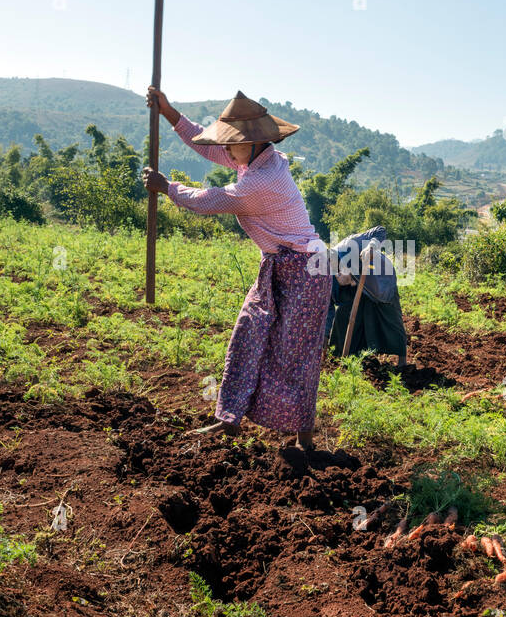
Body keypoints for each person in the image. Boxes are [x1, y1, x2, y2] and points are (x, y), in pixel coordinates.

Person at [142, 87, 330, 449]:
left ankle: (304, 439)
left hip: (308, 272)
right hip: (280, 265)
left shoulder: (261, 182)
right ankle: (229, 420)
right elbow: (209, 146)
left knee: (295, 354)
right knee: (246, 336)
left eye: (233, 143)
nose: (226, 150)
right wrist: (169, 113)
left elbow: (211, 200)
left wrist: (168, 188)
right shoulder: (256, 160)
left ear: (256, 142)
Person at [324, 225, 407, 367]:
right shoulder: (325, 279)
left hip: (379, 280)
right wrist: (324, 340)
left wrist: (372, 246)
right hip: (356, 287)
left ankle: (402, 362)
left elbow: (380, 230)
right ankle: (344, 358)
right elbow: (328, 309)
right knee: (344, 316)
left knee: (390, 318)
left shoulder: (349, 245)